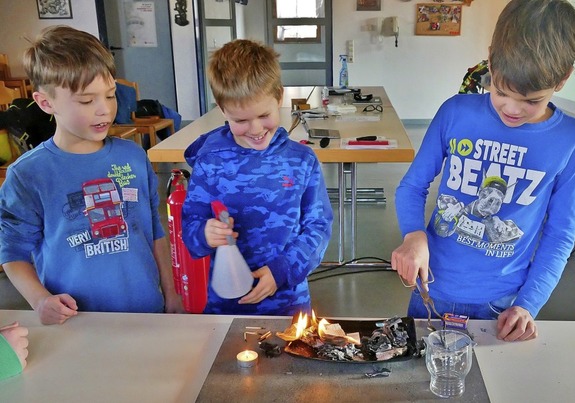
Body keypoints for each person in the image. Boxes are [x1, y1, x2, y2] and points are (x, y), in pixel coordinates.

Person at [391, 0, 575, 342]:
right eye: (500, 91)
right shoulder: (455, 113)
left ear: (564, 78)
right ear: (491, 60)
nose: (512, 110)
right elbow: (412, 187)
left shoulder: (573, 139)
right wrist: (414, 234)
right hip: (432, 288)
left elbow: (560, 234)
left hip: (501, 303)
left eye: (532, 101)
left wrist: (529, 303)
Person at [0, 25, 183, 325]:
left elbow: (155, 231)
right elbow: (13, 253)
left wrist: (172, 293)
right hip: (75, 321)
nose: (104, 111)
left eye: (110, 96)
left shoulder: (134, 156)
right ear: (46, 102)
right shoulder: (27, 175)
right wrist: (40, 300)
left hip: (146, 312)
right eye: (87, 101)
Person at [181, 39, 333, 315]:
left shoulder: (302, 161)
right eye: (240, 121)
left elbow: (318, 227)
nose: (255, 129)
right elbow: (190, 227)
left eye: (264, 115)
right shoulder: (210, 162)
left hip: (287, 301)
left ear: (279, 97)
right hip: (227, 304)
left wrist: (282, 271)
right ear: (222, 109)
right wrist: (205, 233)